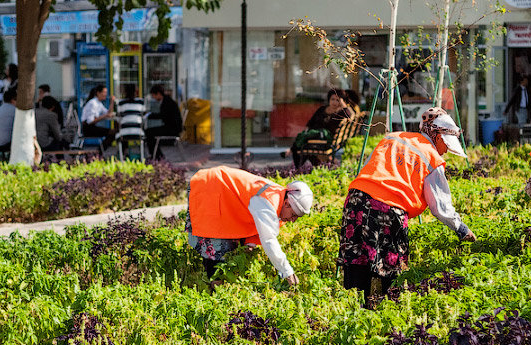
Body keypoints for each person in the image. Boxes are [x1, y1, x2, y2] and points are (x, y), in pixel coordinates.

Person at [338, 107, 477, 305]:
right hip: (387, 210)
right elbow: (440, 206)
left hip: (356, 200)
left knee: (358, 260)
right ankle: (384, 310)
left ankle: (356, 309)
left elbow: (369, 167)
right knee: (390, 270)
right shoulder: (431, 157)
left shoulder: (393, 138)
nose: (446, 150)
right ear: (437, 136)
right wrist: (462, 229)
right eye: (446, 144)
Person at [186, 166, 314, 288]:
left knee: (229, 245)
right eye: (293, 215)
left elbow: (255, 221)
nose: (292, 220)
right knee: (215, 242)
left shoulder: (278, 198)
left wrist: (250, 244)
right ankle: (214, 289)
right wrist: (287, 271)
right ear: (287, 203)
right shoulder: (268, 202)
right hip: (209, 188)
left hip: (221, 190)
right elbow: (269, 240)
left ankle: (217, 285)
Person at [284, 88, 355, 168]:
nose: (334, 102)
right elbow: (310, 123)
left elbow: (351, 114)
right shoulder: (322, 109)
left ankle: (296, 163)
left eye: (338, 100)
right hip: (315, 137)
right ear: (329, 99)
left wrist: (343, 104)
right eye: (332, 99)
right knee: (303, 138)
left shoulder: (340, 113)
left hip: (324, 141)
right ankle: (308, 163)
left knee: (301, 146)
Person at [144, 84, 183, 160]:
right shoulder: (166, 100)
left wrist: (149, 115)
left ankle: (156, 156)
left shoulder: (167, 102)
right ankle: (157, 155)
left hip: (172, 129)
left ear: (158, 94)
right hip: (170, 127)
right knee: (150, 132)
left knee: (149, 132)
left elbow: (163, 115)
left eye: (153, 96)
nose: (153, 98)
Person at [80, 84, 116, 150]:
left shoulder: (99, 103)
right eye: (104, 92)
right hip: (88, 129)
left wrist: (112, 102)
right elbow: (90, 121)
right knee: (112, 133)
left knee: (113, 132)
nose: (105, 94)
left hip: (92, 127)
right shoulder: (93, 103)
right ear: (98, 93)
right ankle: (99, 152)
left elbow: (107, 113)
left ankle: (99, 152)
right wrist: (105, 116)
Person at [116, 84, 146, 157]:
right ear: (136, 91)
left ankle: (122, 155)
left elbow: (118, 119)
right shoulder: (141, 102)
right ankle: (142, 155)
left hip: (123, 133)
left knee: (119, 134)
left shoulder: (121, 102)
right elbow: (144, 117)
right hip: (138, 132)